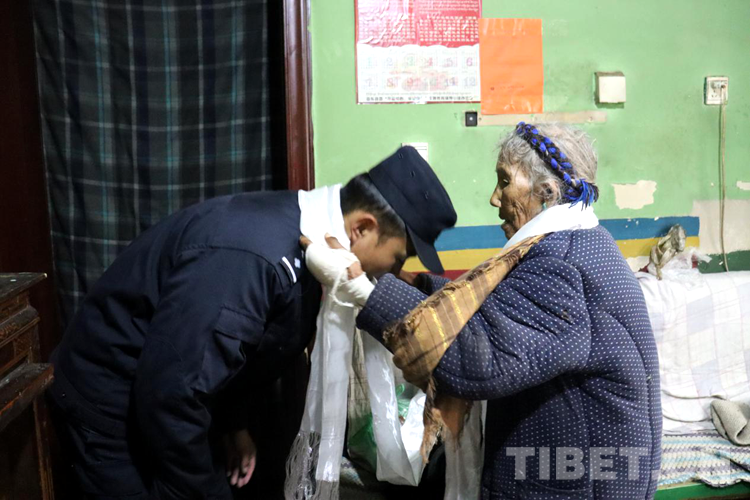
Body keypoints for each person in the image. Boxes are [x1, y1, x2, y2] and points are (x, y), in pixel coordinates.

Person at [48, 146, 457, 499]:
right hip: (112, 406)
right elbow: (172, 392)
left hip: (164, 400)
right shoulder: (255, 258)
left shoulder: (309, 234)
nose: (392, 272)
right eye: (398, 258)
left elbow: (234, 350)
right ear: (362, 228)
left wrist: (233, 424)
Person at [306, 123, 662, 499]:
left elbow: (476, 363)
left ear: (546, 193)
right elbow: (499, 311)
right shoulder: (577, 244)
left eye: (504, 181)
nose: (495, 198)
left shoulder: (561, 265)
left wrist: (363, 291)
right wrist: (416, 286)